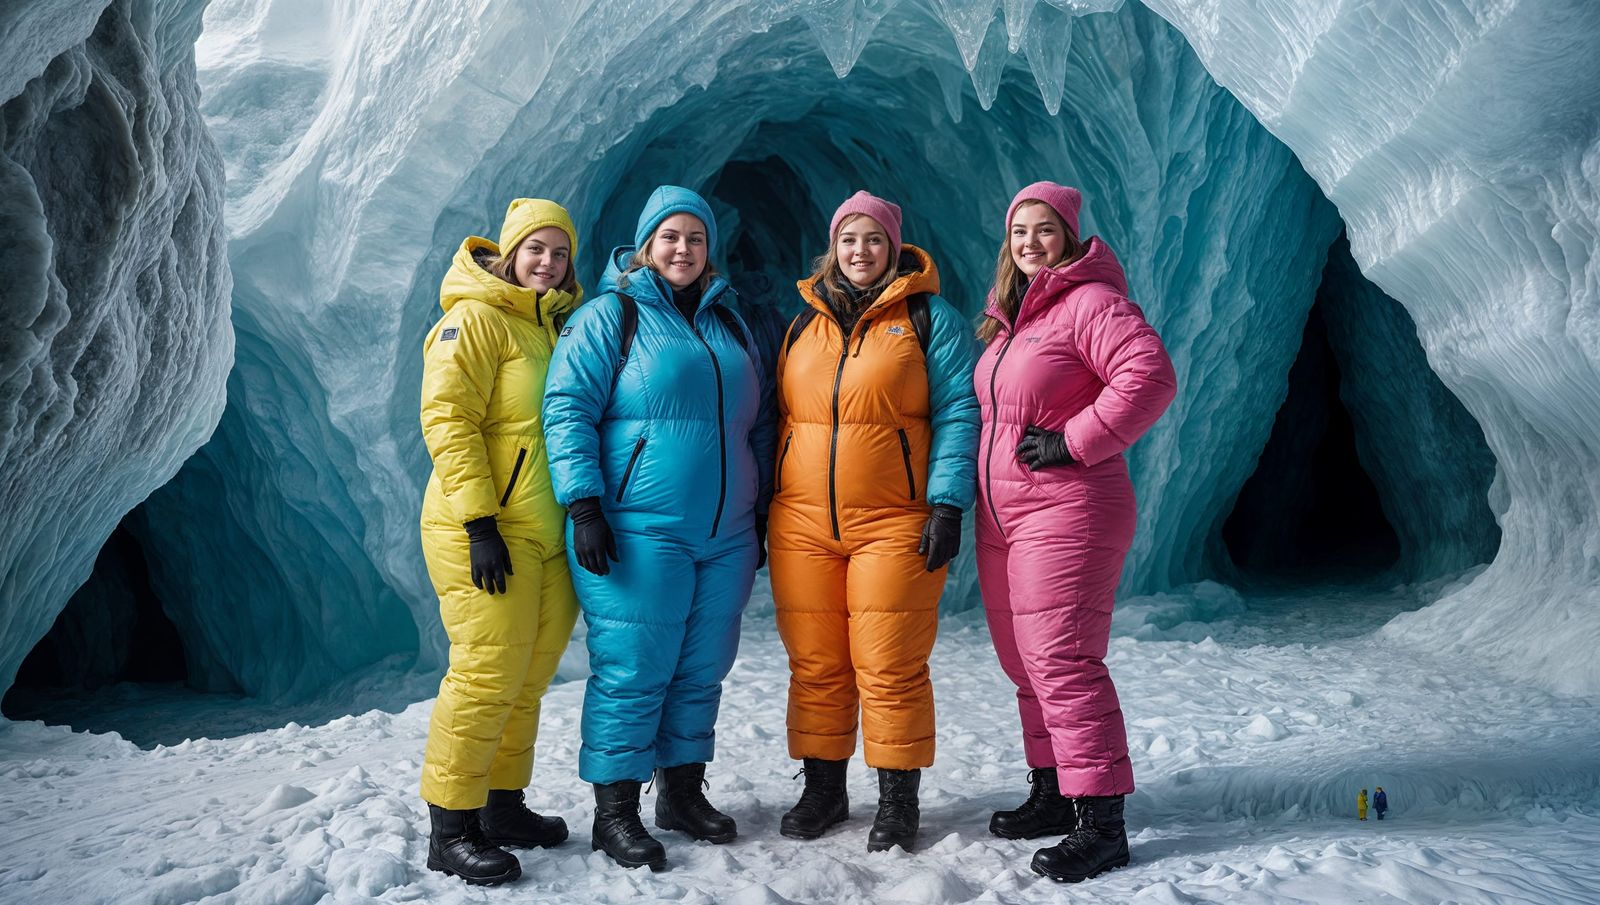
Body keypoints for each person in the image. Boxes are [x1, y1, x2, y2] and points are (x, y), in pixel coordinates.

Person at [542, 185, 775, 870]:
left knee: (702, 667)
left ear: (708, 250)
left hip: (725, 532)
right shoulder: (609, 316)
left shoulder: (726, 324)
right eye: (670, 237)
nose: (683, 249)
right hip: (636, 528)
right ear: (647, 245)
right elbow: (567, 407)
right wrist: (583, 501)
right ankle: (615, 811)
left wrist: (757, 510)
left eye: (695, 238)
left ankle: (682, 792)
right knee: (635, 667)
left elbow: (757, 424)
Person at [975, 182, 1177, 883]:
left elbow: (1149, 374)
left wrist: (1073, 441)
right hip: (1009, 518)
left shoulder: (1090, 302)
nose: (1031, 242)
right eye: (1019, 231)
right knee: (1024, 661)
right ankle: (1054, 791)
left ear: (1068, 236)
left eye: (1045, 229)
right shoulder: (1016, 319)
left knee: (1061, 658)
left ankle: (1102, 822)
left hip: (1070, 507)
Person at [768, 191, 979, 853]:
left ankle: (896, 799)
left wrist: (947, 502)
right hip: (801, 523)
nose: (861, 251)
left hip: (895, 520)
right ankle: (824, 789)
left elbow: (959, 412)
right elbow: (779, 420)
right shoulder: (805, 322)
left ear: (894, 248)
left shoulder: (927, 317)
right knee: (817, 663)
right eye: (850, 239)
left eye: (874, 240)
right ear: (834, 247)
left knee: (889, 662)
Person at [418, 199, 585, 885]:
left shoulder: (553, 327)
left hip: (543, 536)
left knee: (527, 679)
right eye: (535, 249)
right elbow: (449, 420)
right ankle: (450, 827)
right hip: (483, 530)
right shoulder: (476, 320)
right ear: (511, 251)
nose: (547, 262)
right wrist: (480, 523)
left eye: (559, 252)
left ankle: (501, 805)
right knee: (486, 673)